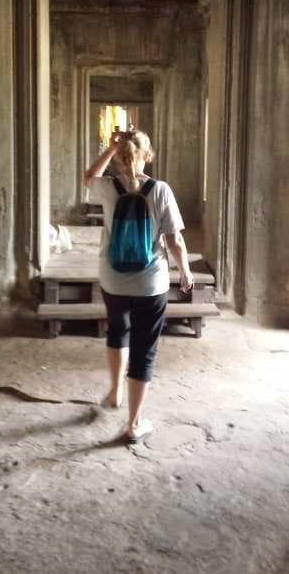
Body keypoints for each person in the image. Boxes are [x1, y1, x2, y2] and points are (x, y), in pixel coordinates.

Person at [83, 128, 194, 443]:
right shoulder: (160, 190)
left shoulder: (107, 187)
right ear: (148, 155)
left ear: (118, 157)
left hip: (112, 278)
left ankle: (115, 392)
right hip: (150, 282)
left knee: (118, 331)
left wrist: (110, 148)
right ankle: (133, 424)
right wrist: (185, 270)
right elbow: (175, 239)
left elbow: (88, 175)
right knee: (144, 350)